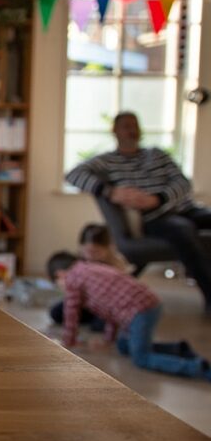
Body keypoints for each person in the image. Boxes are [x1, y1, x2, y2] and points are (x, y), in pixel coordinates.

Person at [65, 111, 211, 313]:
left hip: (184, 208)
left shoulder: (157, 155)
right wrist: (110, 191)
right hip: (156, 218)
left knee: (193, 223)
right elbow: (72, 175)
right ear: (115, 130)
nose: (132, 129)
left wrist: (159, 198)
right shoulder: (107, 161)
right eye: (126, 125)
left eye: (135, 125)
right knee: (184, 230)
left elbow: (183, 183)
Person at [47, 251, 210, 381]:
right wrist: (109, 340)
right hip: (149, 303)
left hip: (139, 311)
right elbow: (110, 310)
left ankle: (198, 367)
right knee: (124, 345)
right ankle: (178, 349)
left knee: (141, 358)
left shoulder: (72, 278)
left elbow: (71, 311)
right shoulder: (89, 268)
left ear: (60, 275)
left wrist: (68, 341)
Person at [49, 223, 129, 330]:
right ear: (81, 247)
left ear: (109, 248)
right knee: (56, 313)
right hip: (85, 302)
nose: (91, 255)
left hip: (105, 306)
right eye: (88, 251)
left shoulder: (116, 264)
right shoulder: (79, 262)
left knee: (101, 325)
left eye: (96, 252)